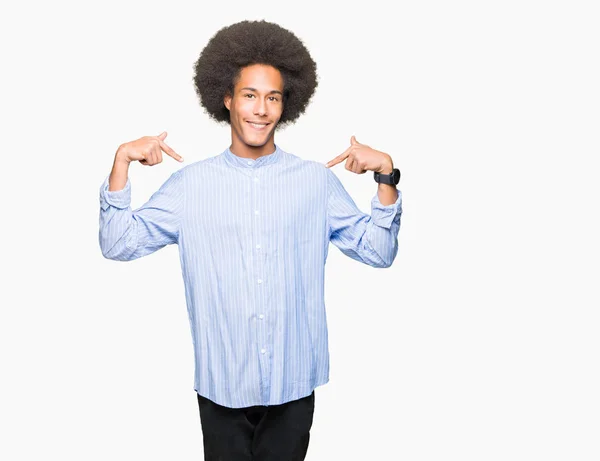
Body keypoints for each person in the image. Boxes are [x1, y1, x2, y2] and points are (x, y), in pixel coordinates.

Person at [99, 19, 402, 461]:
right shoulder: (191, 185)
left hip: (293, 383)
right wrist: (121, 162)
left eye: (272, 97)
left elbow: (379, 251)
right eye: (249, 95)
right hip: (222, 387)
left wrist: (386, 176)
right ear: (226, 99)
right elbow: (117, 243)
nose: (261, 109)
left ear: (286, 105)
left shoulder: (314, 182)